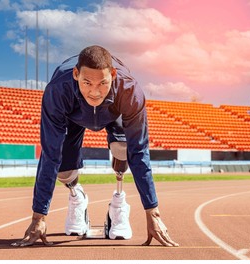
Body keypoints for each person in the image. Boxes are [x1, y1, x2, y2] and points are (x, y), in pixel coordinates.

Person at [11, 45, 179, 247]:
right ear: (75, 74)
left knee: (122, 149)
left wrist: (153, 213)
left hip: (113, 111)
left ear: (114, 75)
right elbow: (50, 153)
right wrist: (39, 218)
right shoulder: (57, 91)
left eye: (103, 83)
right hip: (73, 114)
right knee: (64, 170)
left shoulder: (129, 91)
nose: (94, 92)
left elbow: (139, 151)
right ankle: (77, 197)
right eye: (87, 82)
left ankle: (118, 204)